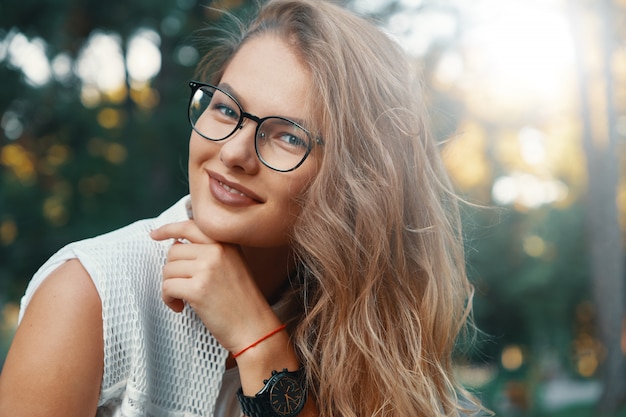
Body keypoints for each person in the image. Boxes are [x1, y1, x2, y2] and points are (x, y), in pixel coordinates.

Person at [0, 0, 484, 416]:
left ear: (356, 179)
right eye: (227, 109)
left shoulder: (357, 315)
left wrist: (258, 341)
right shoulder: (89, 296)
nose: (233, 152)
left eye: (288, 136)